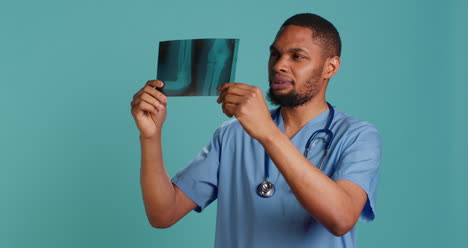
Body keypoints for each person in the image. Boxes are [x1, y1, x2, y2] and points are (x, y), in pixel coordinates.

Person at [130, 13, 382, 248]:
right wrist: (150, 137)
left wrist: (267, 133)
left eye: (297, 56)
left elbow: (341, 218)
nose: (280, 65)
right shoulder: (232, 135)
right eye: (275, 55)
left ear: (330, 67)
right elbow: (163, 213)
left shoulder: (357, 136)